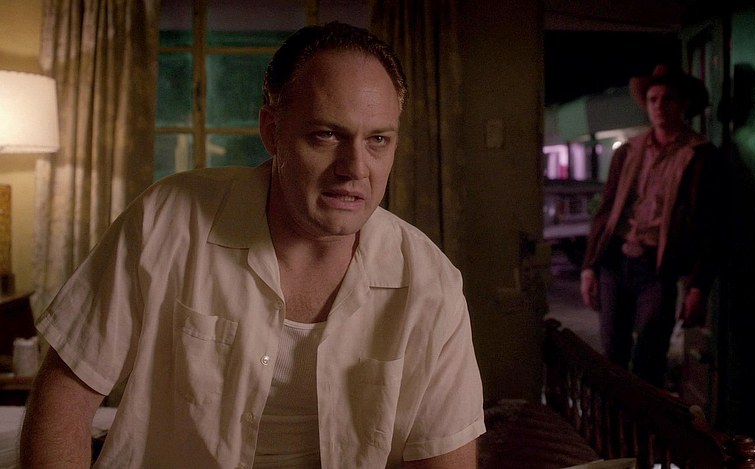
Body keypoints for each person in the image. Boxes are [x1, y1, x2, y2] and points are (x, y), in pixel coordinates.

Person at [20, 21, 485, 468]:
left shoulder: (432, 284)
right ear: (271, 132)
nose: (355, 168)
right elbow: (65, 396)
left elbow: (445, 458)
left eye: (378, 139)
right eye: (326, 135)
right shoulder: (166, 221)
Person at [579, 64, 726, 389]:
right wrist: (589, 267)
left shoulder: (699, 155)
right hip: (616, 262)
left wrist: (698, 287)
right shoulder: (629, 151)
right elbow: (606, 210)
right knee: (612, 353)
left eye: (667, 99)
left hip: (656, 269)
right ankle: (614, 418)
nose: (659, 106)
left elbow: (709, 226)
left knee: (650, 356)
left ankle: (644, 420)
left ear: (683, 104)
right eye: (653, 99)